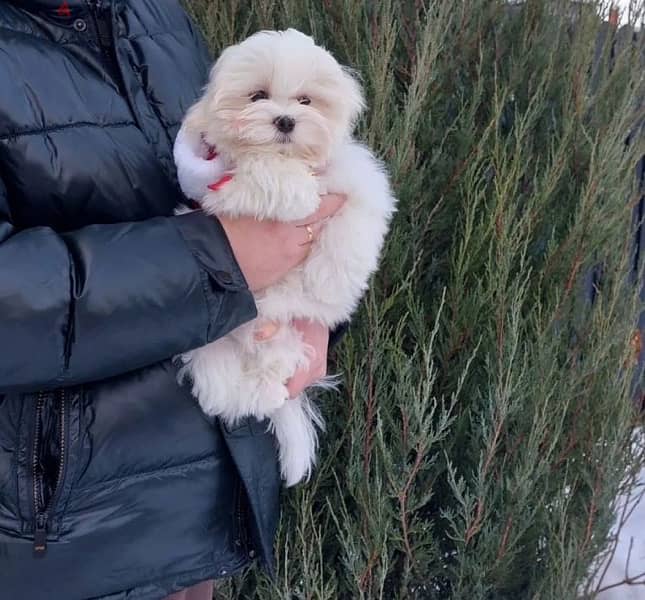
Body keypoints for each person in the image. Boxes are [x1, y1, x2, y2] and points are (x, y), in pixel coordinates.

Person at [0, 1, 344, 598]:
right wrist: (216, 262)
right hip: (59, 548)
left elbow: (236, 178)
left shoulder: (155, 16)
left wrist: (312, 316)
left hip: (192, 526)